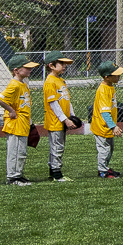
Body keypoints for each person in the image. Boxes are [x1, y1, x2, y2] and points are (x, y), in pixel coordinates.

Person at [0, 56, 39, 186]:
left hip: (23, 122)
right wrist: (11, 110)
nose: (30, 70)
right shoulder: (14, 84)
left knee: (21, 151)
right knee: (15, 151)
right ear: (16, 70)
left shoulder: (22, 83)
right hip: (15, 123)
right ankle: (12, 177)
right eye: (26, 68)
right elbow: (0, 99)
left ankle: (18, 174)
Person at [42, 50, 77, 182]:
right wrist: (64, 119)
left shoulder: (61, 80)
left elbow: (66, 99)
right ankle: (56, 174)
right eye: (61, 63)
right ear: (51, 66)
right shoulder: (50, 81)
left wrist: (72, 116)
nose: (64, 65)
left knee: (58, 145)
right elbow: (53, 103)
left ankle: (53, 171)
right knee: (57, 146)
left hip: (63, 119)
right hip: (55, 120)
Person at [92, 61, 123, 178]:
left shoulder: (110, 87)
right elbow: (105, 112)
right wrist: (113, 126)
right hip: (102, 125)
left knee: (110, 148)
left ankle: (105, 167)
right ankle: (102, 171)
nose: (119, 76)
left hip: (107, 126)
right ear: (107, 77)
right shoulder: (103, 90)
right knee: (104, 149)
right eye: (115, 74)